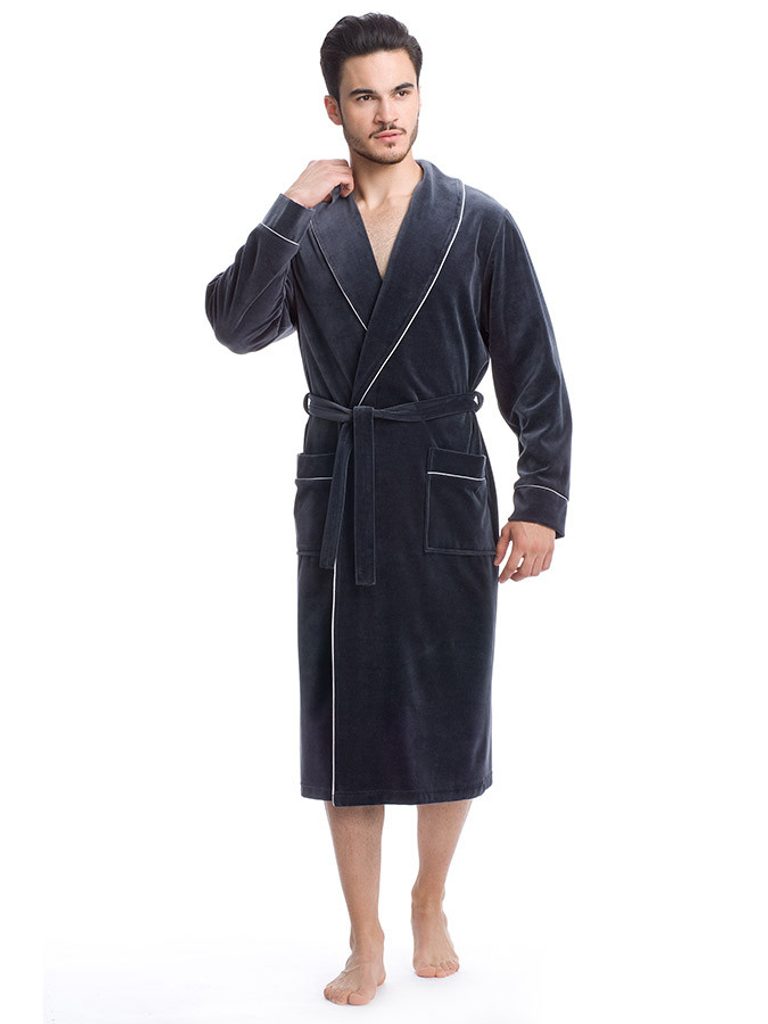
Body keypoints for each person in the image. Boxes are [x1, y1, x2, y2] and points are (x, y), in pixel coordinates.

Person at [204, 12, 572, 1006]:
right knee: (348, 726)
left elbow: (535, 372)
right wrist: (286, 205)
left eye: (401, 91)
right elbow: (234, 325)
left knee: (452, 710)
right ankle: (364, 935)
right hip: (345, 485)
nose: (387, 113)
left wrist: (541, 499)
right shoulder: (310, 226)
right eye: (364, 95)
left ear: (420, 93)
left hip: (446, 480)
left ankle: (429, 899)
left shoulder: (477, 221)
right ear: (334, 108)